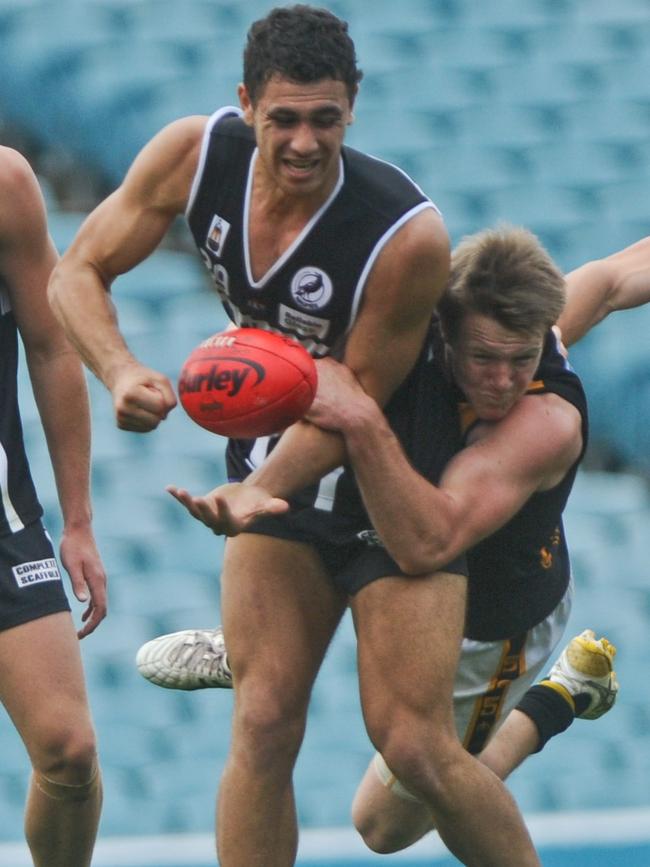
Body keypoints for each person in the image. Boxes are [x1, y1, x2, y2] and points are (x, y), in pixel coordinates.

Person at [48, 6, 543, 865]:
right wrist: (121, 369)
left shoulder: (405, 235)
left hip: (393, 482)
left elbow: (357, 394)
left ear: (353, 107)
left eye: (326, 119)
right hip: (277, 482)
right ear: (246, 103)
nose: (305, 142)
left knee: (414, 745)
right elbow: (76, 271)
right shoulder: (193, 155)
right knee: (266, 718)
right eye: (284, 118)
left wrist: (255, 486)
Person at [136, 226, 625, 853]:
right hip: (414, 554)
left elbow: (427, 539)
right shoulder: (433, 332)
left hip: (495, 615)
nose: (504, 379)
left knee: (384, 824)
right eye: (484, 358)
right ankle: (261, 648)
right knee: (316, 719)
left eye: (521, 359)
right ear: (443, 328)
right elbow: (614, 278)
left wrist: (361, 421)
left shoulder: (545, 423)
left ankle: (558, 699)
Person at [0, 147, 106, 867]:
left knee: (70, 751)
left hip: (4, 522)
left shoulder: (5, 185)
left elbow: (51, 343)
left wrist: (77, 520)